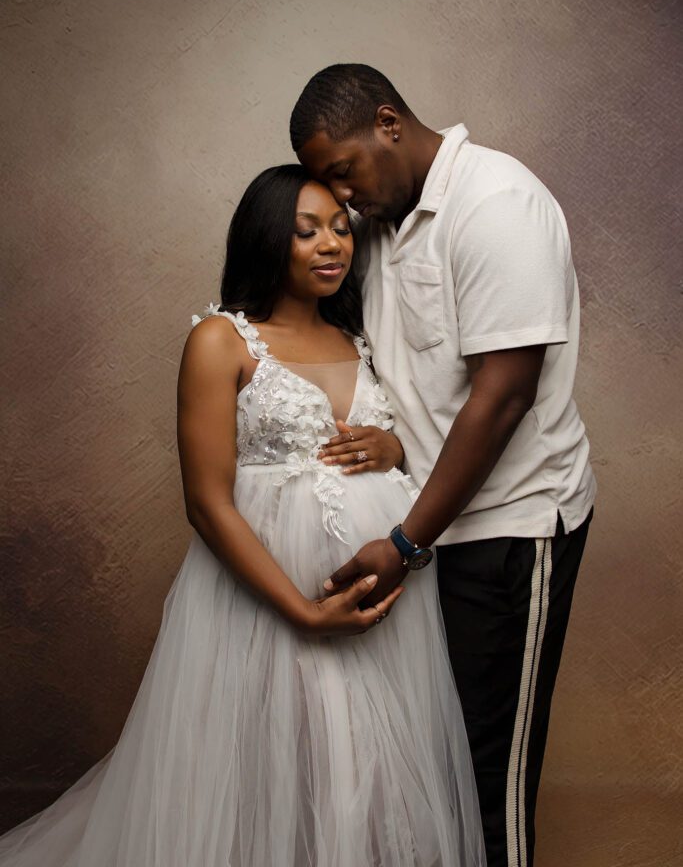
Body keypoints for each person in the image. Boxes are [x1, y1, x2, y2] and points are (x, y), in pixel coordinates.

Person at [0, 164, 485, 867]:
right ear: (266, 237)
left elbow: (420, 434)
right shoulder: (221, 340)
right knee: (275, 761)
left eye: (341, 229)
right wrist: (302, 611)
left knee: (369, 768)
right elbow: (206, 501)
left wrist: (393, 445)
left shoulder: (362, 338)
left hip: (384, 597)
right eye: (307, 231)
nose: (332, 245)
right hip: (270, 597)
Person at [290, 64, 597, 867]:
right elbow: (410, 378)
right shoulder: (381, 223)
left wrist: (403, 543)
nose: (341, 197)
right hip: (426, 527)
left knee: (487, 784)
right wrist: (394, 456)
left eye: (343, 171)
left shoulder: (496, 203)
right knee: (433, 777)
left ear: (388, 123)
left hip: (507, 528)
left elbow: (502, 396)